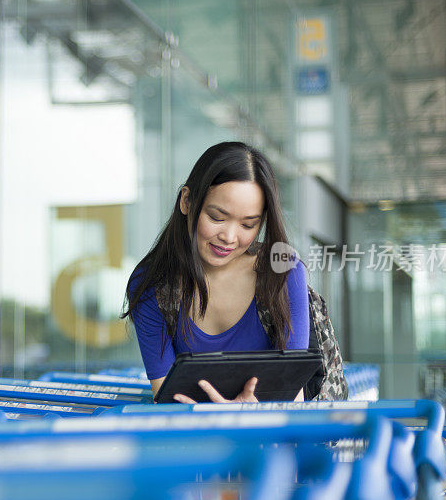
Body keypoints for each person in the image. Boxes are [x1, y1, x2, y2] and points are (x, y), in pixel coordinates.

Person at [122, 141, 309, 403]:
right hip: (196, 438)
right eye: (217, 217)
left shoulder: (282, 271)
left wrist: (249, 416)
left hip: (272, 435)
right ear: (187, 201)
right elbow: (165, 398)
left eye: (248, 224)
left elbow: (294, 396)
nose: (229, 237)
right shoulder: (152, 285)